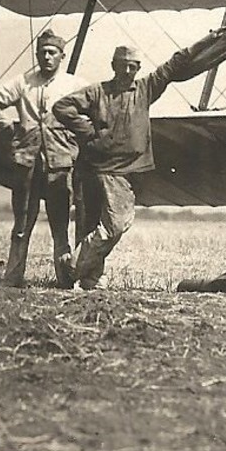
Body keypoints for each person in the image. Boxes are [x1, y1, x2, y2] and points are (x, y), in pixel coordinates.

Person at [52, 43, 199, 290]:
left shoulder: (145, 89)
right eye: (123, 65)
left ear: (138, 68)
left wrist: (201, 45)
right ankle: (81, 271)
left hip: (129, 170)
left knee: (112, 223)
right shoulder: (98, 92)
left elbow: (173, 67)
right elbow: (62, 107)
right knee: (110, 224)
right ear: (113, 66)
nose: (128, 71)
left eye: (133, 66)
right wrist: (88, 130)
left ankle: (84, 273)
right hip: (100, 168)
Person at [0, 28, 81, 288]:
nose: (47, 57)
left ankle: (65, 279)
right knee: (22, 223)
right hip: (26, 162)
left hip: (59, 162)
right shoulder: (23, 82)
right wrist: (9, 127)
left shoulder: (74, 85)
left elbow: (93, 113)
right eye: (43, 52)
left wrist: (74, 140)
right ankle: (12, 279)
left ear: (62, 56)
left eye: (52, 52)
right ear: (36, 55)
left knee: (60, 224)